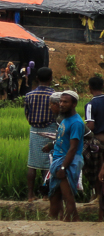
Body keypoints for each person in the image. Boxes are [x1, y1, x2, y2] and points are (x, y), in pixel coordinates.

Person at [45, 91, 85, 222]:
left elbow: (73, 148)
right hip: (59, 160)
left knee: (67, 196)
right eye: (60, 101)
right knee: (54, 195)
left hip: (67, 162)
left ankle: (71, 220)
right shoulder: (64, 119)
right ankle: (53, 220)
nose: (61, 104)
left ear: (74, 104)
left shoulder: (76, 123)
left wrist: (63, 167)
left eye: (65, 102)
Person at [82, 75, 104, 215]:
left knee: (96, 168)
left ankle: (98, 195)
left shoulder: (90, 104)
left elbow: (91, 125)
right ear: (103, 86)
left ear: (89, 88)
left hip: (97, 139)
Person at [24, 66, 56, 202]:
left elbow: (27, 114)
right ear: (51, 78)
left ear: (37, 78)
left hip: (34, 130)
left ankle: (30, 195)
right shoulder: (55, 95)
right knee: (48, 163)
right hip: (51, 129)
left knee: (32, 164)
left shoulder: (29, 95)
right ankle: (46, 195)